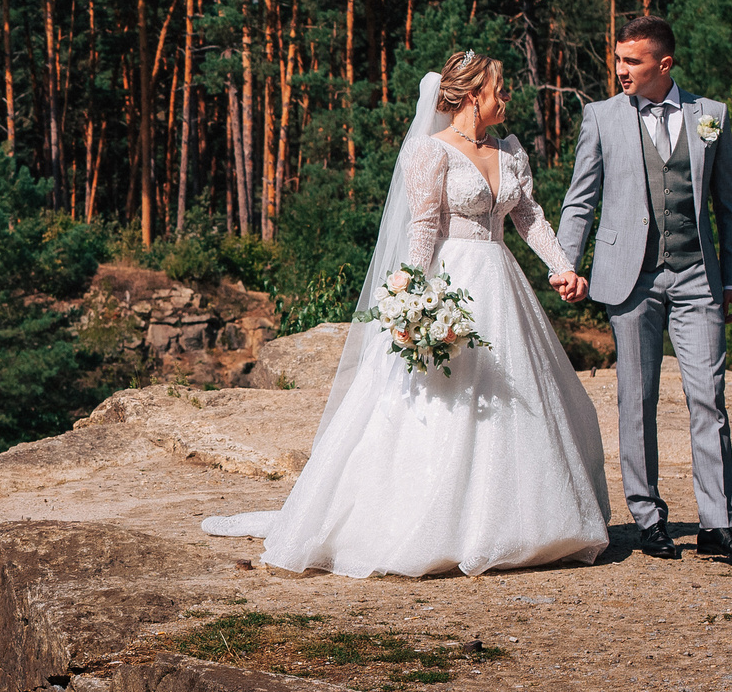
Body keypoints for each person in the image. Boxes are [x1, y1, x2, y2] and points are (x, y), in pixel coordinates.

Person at [202, 52, 611, 578]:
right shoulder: (430, 152)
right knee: (443, 400)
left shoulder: (509, 151)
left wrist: (563, 268)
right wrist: (408, 301)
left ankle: (529, 522)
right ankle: (436, 522)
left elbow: (529, 216)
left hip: (502, 286)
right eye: (498, 89)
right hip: (451, 285)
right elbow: (422, 231)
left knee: (521, 397)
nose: (506, 97)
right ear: (469, 95)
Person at [554, 14, 732, 561]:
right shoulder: (601, 117)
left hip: (697, 277)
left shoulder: (711, 117)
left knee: (708, 399)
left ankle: (718, 526)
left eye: (632, 61)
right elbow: (580, 199)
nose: (620, 70)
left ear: (664, 65)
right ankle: (649, 518)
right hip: (629, 278)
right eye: (617, 59)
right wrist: (565, 265)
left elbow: (729, 207)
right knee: (636, 398)